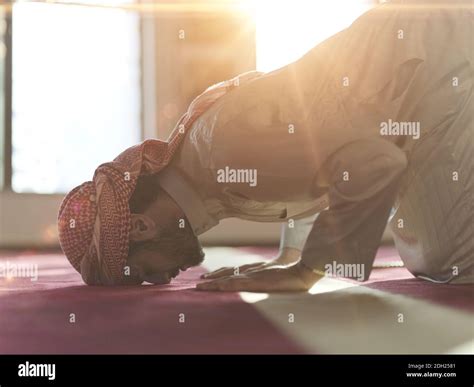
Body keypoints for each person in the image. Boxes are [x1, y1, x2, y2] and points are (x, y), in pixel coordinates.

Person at [58, 0, 473, 290]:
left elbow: (373, 164)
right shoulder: (205, 169)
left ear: (141, 227)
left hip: (437, 56)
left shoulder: (225, 154)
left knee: (448, 260)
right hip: (412, 85)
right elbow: (317, 166)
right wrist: (291, 254)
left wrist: (305, 274)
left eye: (142, 272)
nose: (162, 279)